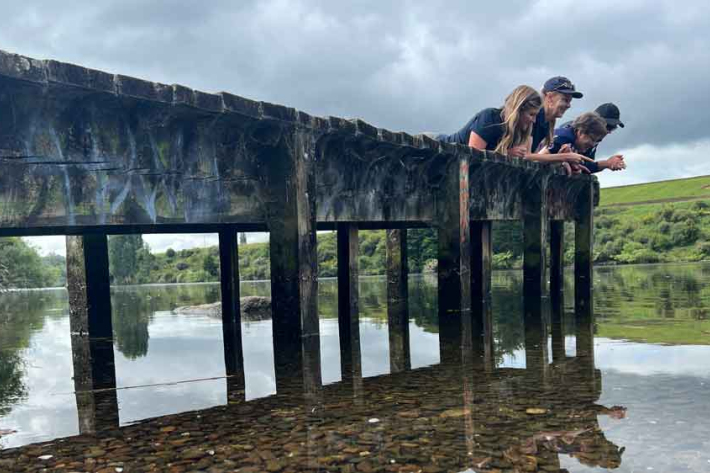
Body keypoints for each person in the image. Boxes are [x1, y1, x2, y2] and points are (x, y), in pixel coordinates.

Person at [438, 85, 542, 157]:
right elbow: (473, 155)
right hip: (439, 149)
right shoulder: (489, 118)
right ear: (518, 111)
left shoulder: (520, 130)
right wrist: (506, 153)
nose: (534, 120)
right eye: (531, 114)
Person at [540, 112, 608, 174]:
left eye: (596, 141)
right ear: (580, 132)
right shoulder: (562, 139)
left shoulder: (571, 138)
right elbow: (536, 161)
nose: (593, 144)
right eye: (592, 139)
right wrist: (561, 159)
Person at [531, 76, 583, 153]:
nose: (569, 105)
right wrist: (561, 157)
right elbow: (526, 155)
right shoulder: (534, 117)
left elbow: (533, 155)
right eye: (565, 100)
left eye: (570, 101)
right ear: (549, 97)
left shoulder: (548, 122)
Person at [574, 103, 626, 173]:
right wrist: (607, 163)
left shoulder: (594, 139)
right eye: (607, 126)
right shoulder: (569, 134)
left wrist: (608, 163)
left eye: (612, 128)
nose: (608, 131)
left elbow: (587, 168)